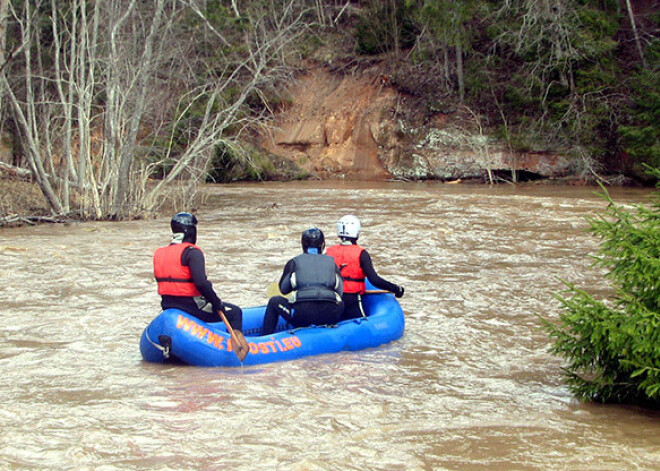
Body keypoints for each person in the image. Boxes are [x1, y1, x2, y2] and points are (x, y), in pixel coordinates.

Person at [153, 212, 243, 332]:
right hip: (192, 307)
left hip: (168, 306)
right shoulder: (192, 252)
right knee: (235, 312)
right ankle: (232, 349)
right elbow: (201, 283)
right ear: (190, 231)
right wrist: (217, 303)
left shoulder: (159, 253)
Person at [262, 228, 344, 335]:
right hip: (328, 316)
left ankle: (266, 338)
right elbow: (340, 291)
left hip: (302, 318)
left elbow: (284, 289)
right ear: (323, 245)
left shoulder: (293, 263)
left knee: (274, 301)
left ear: (303, 244)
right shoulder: (332, 263)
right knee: (342, 303)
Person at [326, 215, 404, 321]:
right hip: (352, 300)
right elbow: (375, 280)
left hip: (330, 298)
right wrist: (396, 289)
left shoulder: (328, 252)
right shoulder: (361, 253)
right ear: (357, 232)